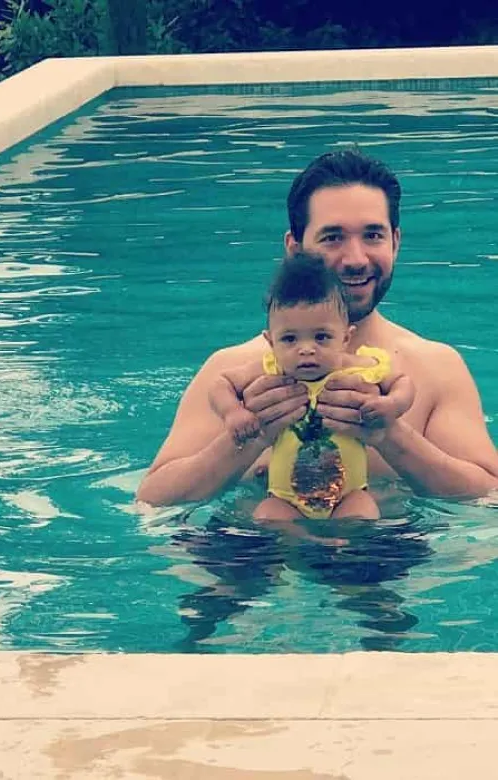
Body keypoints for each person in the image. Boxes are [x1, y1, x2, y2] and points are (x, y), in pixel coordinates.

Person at [136, 148, 498, 507]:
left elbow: (489, 494)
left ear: (396, 242)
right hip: (254, 539)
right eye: (332, 238)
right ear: (294, 250)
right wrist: (249, 437)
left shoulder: (436, 369)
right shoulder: (234, 375)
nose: (356, 259)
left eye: (373, 235)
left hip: (387, 541)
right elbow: (152, 501)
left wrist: (391, 438)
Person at [210, 250, 414, 521]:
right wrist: (233, 413)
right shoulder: (271, 368)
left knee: (363, 514)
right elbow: (221, 384)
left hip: (349, 495)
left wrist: (392, 405)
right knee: (267, 516)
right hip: (283, 499)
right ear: (270, 342)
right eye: (289, 339)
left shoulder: (358, 367)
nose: (306, 349)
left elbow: (402, 382)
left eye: (321, 337)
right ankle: (302, 540)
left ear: (345, 338)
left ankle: (339, 543)